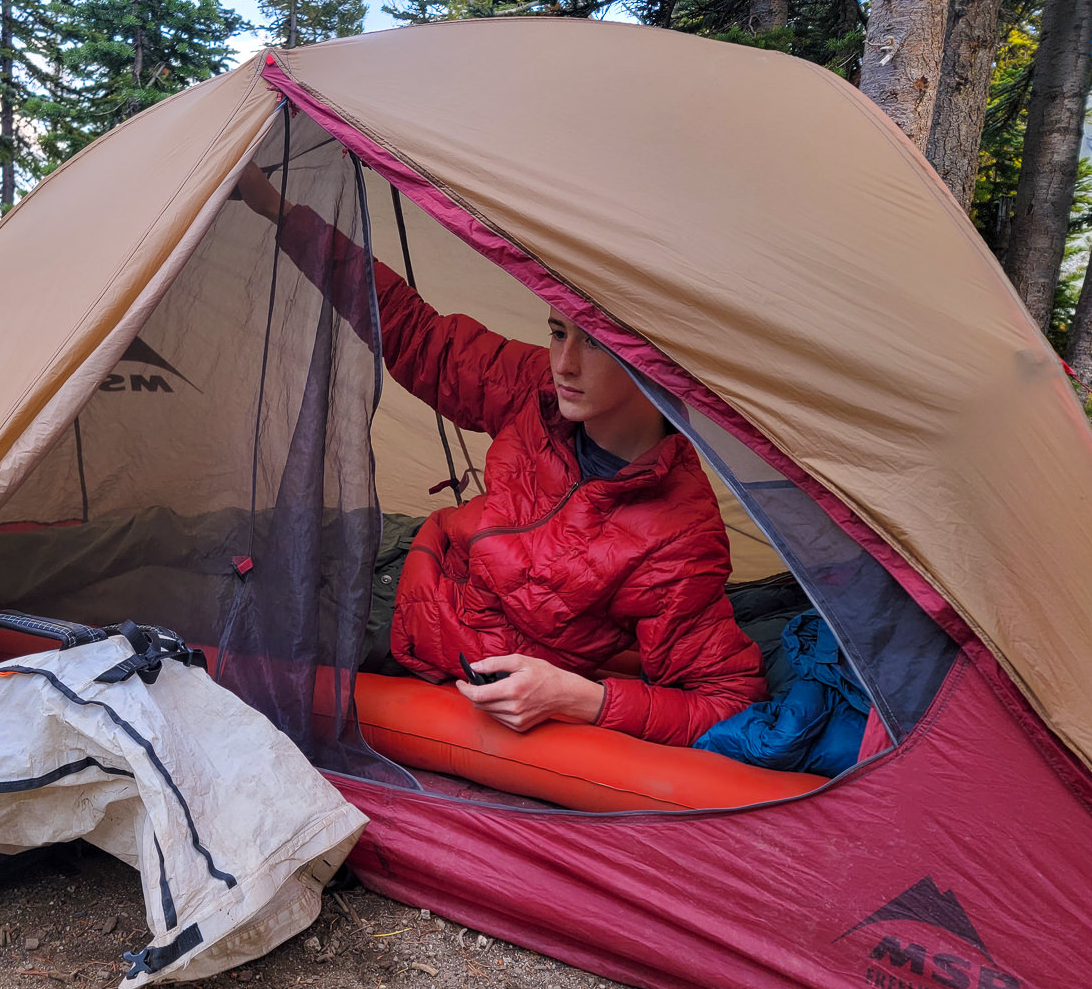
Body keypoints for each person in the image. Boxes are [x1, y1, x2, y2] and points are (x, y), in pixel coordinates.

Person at [236, 163, 766, 747]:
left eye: (594, 342)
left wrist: (580, 697)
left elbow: (727, 701)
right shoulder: (536, 389)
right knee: (200, 537)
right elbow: (418, 335)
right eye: (558, 332)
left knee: (204, 601)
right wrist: (279, 212)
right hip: (398, 548)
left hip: (405, 634)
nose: (564, 364)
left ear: (653, 360)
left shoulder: (676, 535)